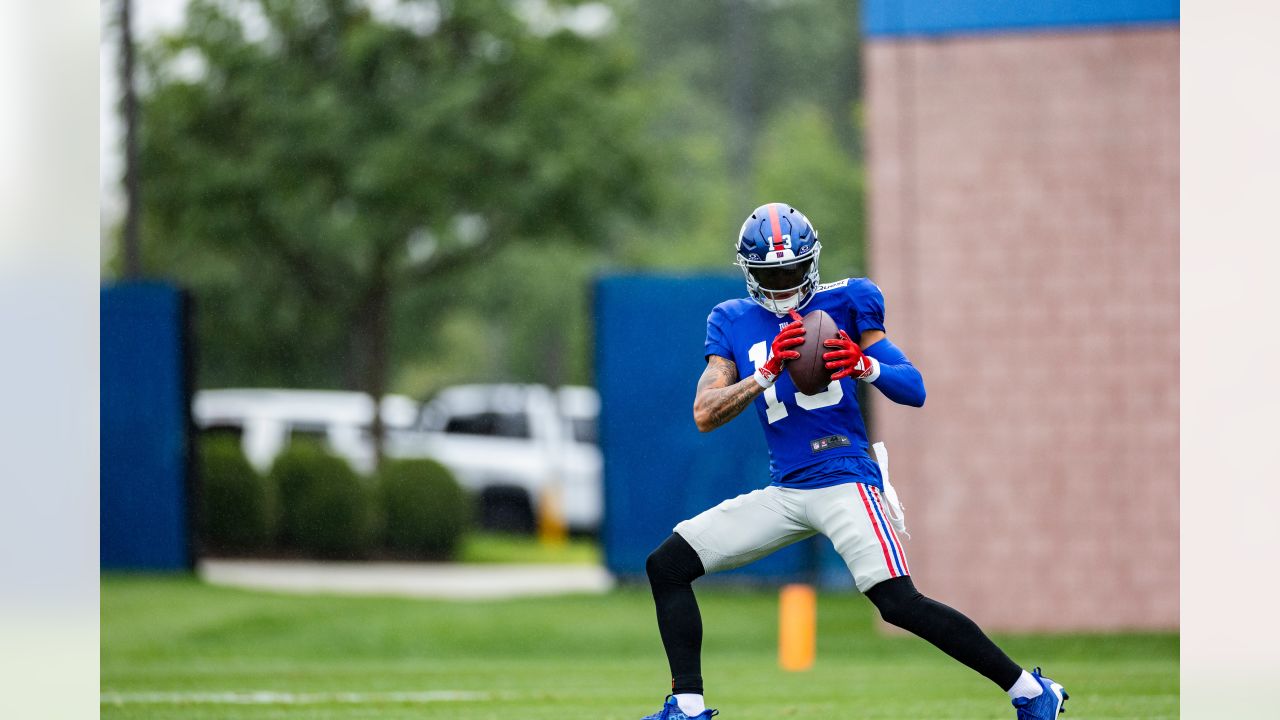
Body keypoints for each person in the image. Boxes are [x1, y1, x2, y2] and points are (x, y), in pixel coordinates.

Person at [640, 203, 1068, 720]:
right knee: (667, 565)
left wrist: (864, 365)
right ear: (749, 273)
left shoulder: (849, 300)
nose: (782, 286)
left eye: (793, 271)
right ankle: (687, 708)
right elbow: (705, 414)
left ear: (812, 263)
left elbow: (915, 389)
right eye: (770, 276)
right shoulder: (730, 319)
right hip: (788, 491)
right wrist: (766, 371)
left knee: (897, 602)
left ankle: (1030, 691)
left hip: (845, 477)